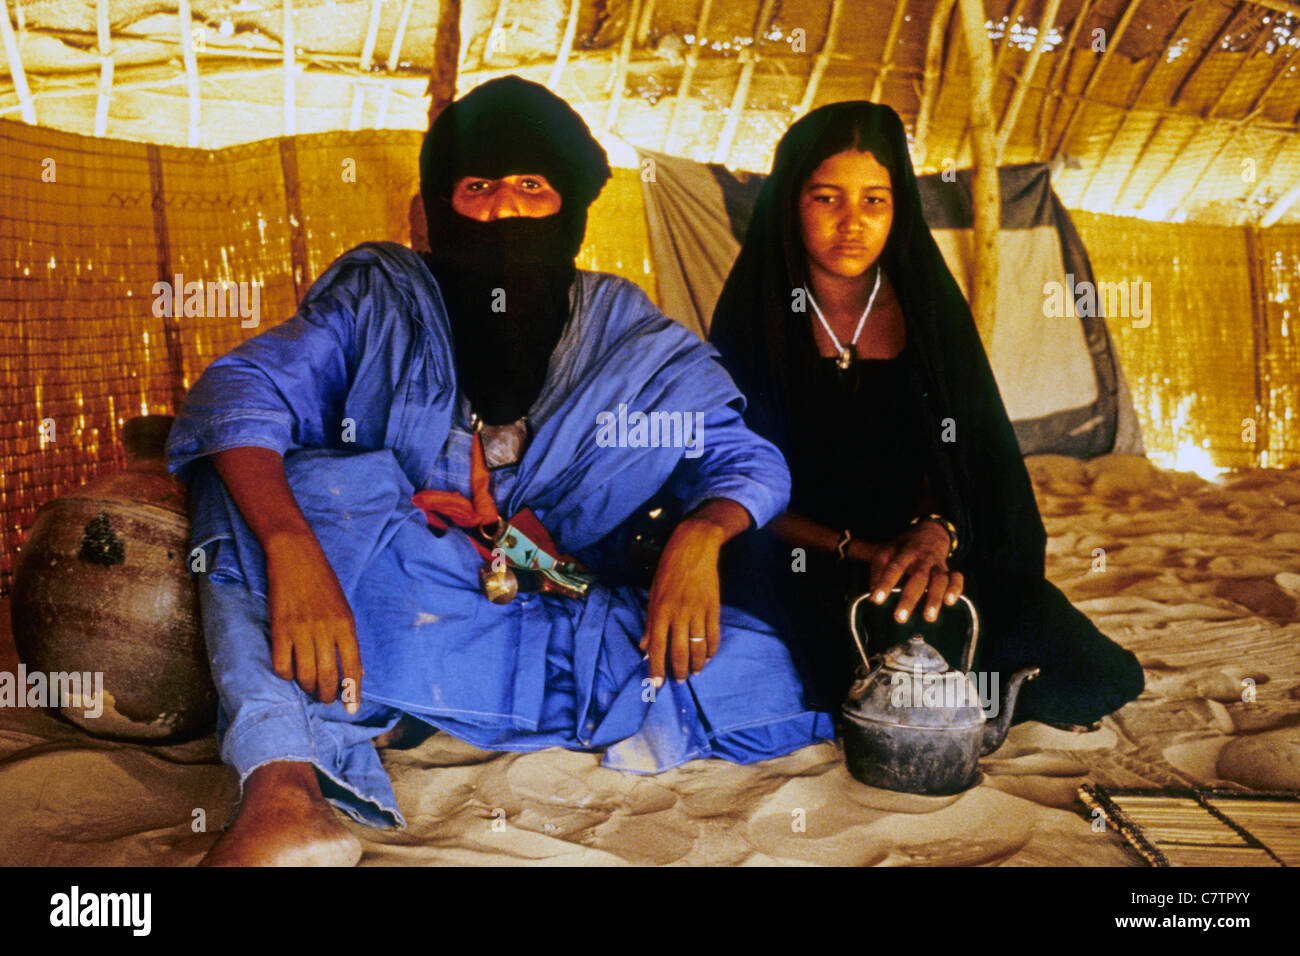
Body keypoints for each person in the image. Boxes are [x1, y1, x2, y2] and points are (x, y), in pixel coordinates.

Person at [166, 75, 833, 866]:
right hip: (390, 585)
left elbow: (742, 458)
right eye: (477, 188)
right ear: (434, 210)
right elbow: (242, 396)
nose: (503, 213)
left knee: (758, 662)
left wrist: (701, 534)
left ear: (572, 211)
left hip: (556, 611)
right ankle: (284, 791)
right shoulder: (383, 300)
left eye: (531, 188)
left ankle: (398, 704)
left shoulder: (628, 337)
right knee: (251, 487)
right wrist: (292, 547)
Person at [708, 100, 1145, 727]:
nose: (851, 222)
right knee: (799, 646)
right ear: (789, 202)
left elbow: (975, 464)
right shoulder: (758, 317)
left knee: (1072, 655)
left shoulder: (927, 313)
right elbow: (735, 482)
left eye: (874, 201)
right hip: (800, 554)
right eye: (826, 198)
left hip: (924, 562)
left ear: (899, 209)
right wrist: (862, 551)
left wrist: (935, 535)